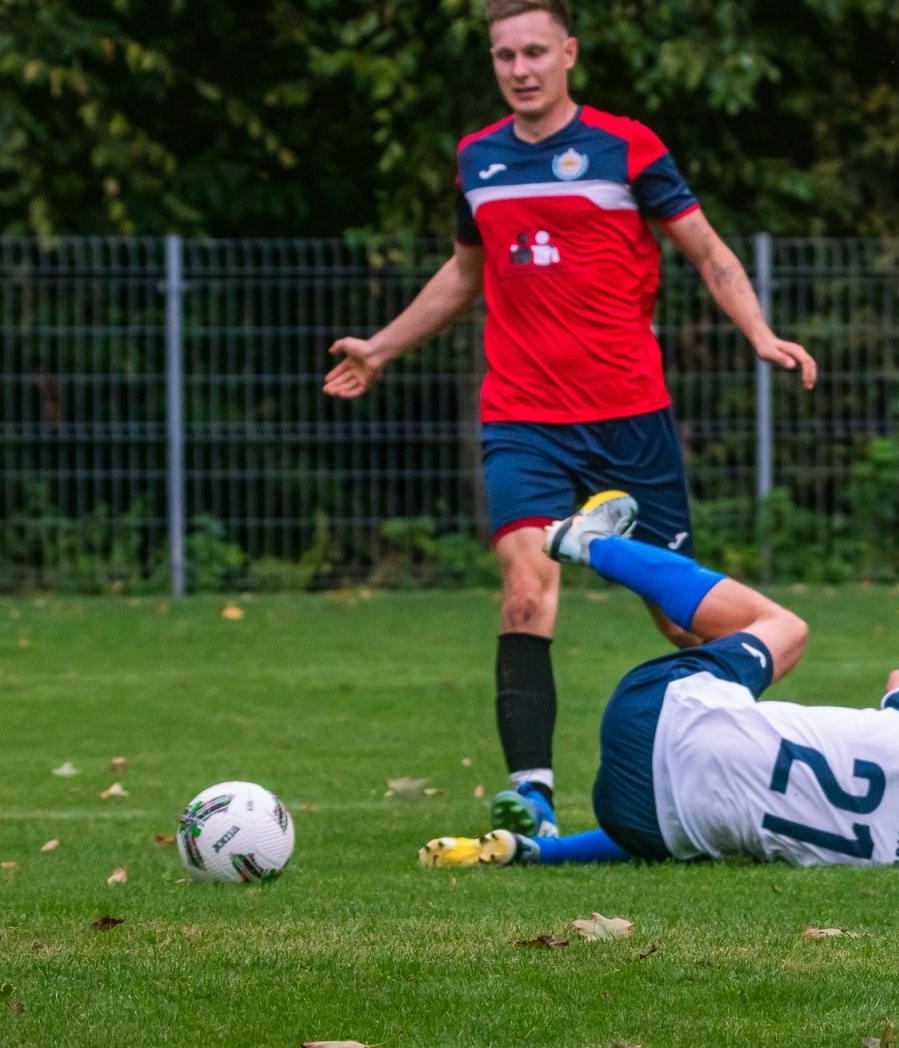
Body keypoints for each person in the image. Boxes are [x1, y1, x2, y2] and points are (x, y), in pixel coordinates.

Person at [324, 0, 817, 840]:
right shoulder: (477, 160)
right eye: (503, 55)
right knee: (525, 585)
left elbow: (708, 251)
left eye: (535, 53)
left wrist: (761, 332)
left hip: (630, 417)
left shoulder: (629, 146)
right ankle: (532, 794)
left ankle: (770, 690)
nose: (519, 69)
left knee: (677, 620)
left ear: (569, 55)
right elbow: (460, 273)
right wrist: (380, 348)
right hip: (522, 417)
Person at [418, 492, 899, 868]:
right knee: (702, 823)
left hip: (648, 711)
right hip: (638, 819)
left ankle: (590, 544)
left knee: (786, 629)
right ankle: (537, 853)